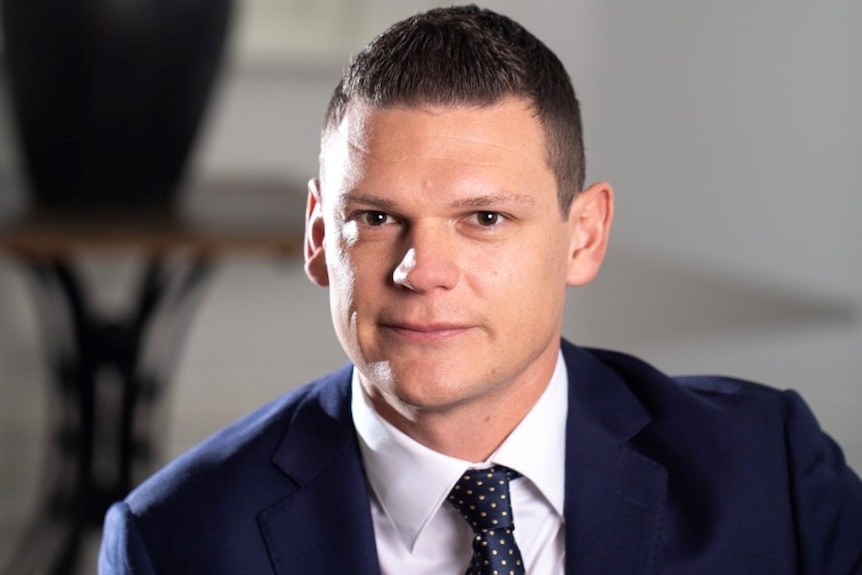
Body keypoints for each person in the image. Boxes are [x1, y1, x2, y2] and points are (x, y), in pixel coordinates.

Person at [98, 5, 862, 574]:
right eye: (375, 217)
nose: (421, 269)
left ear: (583, 235)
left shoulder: (773, 473)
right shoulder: (173, 540)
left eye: (485, 217)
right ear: (317, 237)